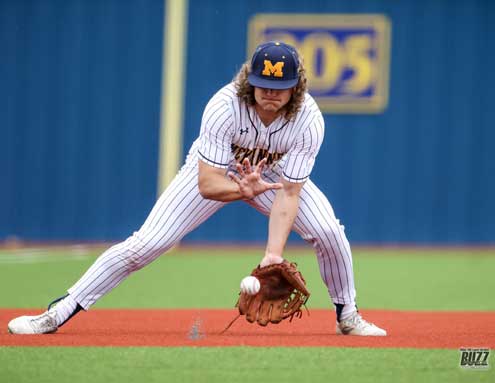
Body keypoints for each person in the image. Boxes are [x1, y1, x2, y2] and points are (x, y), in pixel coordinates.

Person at [8, 41, 386, 336]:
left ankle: (347, 316)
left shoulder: (308, 119)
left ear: (296, 87)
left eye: (281, 87)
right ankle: (55, 313)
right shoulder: (224, 106)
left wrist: (273, 255)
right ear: (249, 81)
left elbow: (289, 192)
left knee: (328, 231)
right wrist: (243, 191)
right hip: (215, 172)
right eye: (263, 85)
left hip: (272, 176)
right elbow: (207, 184)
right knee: (146, 245)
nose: (271, 93)